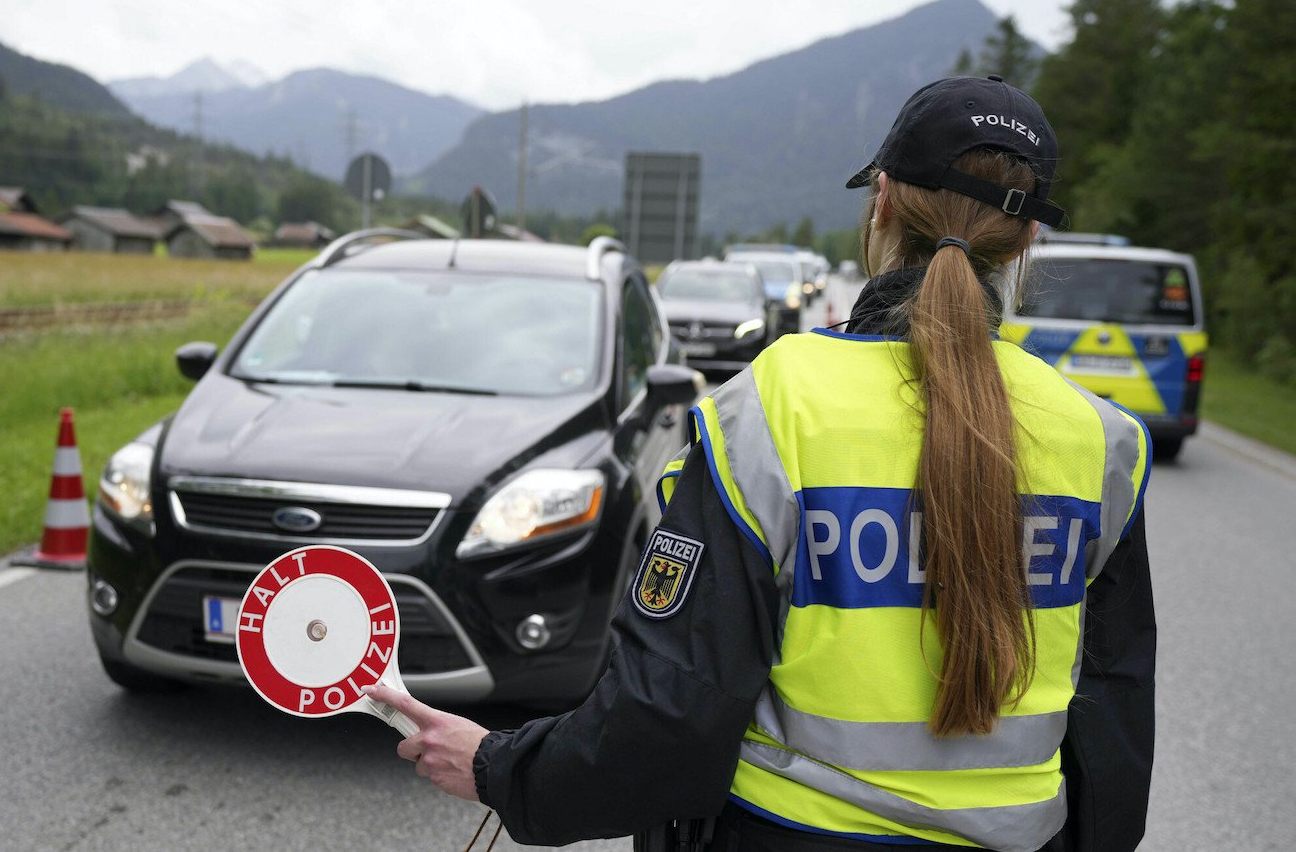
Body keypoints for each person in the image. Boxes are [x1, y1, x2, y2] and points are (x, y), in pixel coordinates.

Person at [366, 75, 1156, 852]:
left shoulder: (773, 405)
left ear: (882, 200)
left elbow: (669, 711)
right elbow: (1113, 730)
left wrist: (502, 768)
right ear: (1029, 236)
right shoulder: (1100, 439)